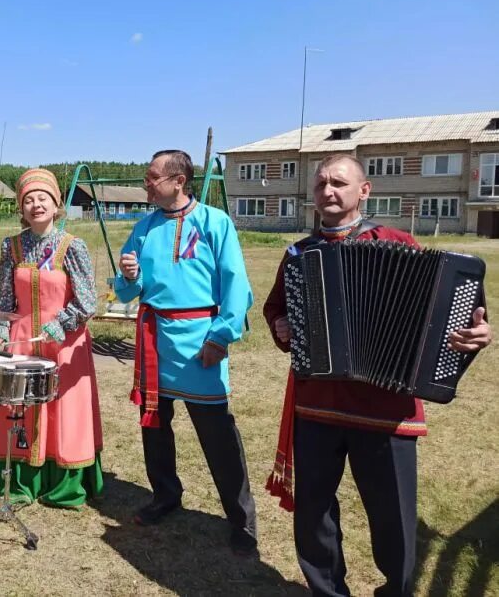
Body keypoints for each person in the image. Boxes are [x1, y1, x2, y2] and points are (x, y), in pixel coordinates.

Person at [263, 154, 492, 597]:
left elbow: (443, 315)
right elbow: (276, 309)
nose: (328, 192)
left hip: (386, 411)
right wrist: (283, 328)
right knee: (314, 514)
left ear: (364, 191)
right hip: (317, 406)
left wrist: (472, 334)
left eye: (339, 183)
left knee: (394, 518)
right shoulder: (299, 255)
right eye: (321, 184)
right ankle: (328, 591)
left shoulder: (399, 243)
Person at [114, 149, 257, 555]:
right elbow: (126, 290)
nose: (146, 183)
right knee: (155, 427)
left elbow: (236, 285)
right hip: (155, 339)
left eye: (152, 177)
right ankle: (165, 494)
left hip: (201, 342)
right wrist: (129, 275)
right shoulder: (143, 228)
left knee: (218, 434)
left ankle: (241, 520)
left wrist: (221, 337)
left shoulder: (215, 223)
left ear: (179, 181)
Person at [0, 167, 103, 508]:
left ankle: (62, 484)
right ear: (21, 207)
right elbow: (5, 300)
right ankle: (17, 482)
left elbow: (88, 300)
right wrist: (1, 331)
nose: (36, 205)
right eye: (28, 200)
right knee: (16, 408)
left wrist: (61, 324)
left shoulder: (72, 247)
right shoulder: (11, 247)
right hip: (21, 341)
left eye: (42, 198)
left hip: (65, 340)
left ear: (56, 203)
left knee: (62, 410)